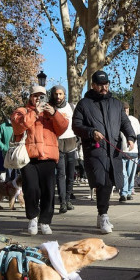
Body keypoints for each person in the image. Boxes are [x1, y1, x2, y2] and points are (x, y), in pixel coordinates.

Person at [72, 70, 135, 234]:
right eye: (100, 84)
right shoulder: (84, 104)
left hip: (113, 150)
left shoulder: (116, 103)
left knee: (110, 183)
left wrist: (130, 137)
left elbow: (125, 122)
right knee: (102, 182)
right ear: (93, 85)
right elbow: (76, 126)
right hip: (95, 150)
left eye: (106, 84)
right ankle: (104, 215)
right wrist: (91, 132)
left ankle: (101, 213)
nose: (103, 87)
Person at [12, 84, 68, 235]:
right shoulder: (22, 111)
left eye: (41, 95)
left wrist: (54, 114)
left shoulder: (50, 112)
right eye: (35, 95)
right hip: (28, 157)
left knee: (48, 191)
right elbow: (18, 127)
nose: (38, 98)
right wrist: (35, 112)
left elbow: (63, 128)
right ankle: (32, 218)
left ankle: (45, 221)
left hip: (48, 156)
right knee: (31, 188)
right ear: (30, 97)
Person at [49, 85, 78, 213]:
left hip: (71, 142)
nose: (58, 96)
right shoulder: (50, 107)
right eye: (56, 94)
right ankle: (62, 202)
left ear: (65, 94)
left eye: (60, 94)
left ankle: (68, 198)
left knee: (71, 174)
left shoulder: (71, 107)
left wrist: (79, 139)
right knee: (61, 174)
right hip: (57, 143)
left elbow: (77, 123)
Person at [119, 105, 140, 201]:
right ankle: (123, 193)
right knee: (123, 174)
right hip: (121, 151)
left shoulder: (134, 120)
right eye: (123, 110)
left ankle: (129, 191)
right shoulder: (117, 119)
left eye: (126, 109)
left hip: (133, 152)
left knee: (131, 173)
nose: (125, 111)